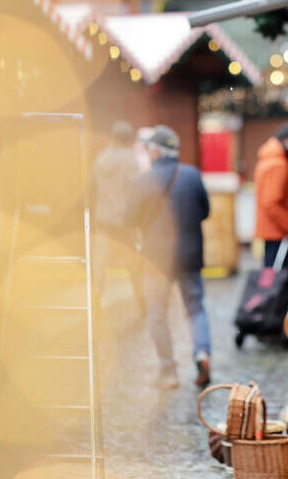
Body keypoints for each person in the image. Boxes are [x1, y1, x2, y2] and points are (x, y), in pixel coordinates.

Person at [126, 125, 214, 388]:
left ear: (155, 150)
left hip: (156, 259)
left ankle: (168, 372)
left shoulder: (142, 181)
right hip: (190, 255)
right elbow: (205, 211)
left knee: (157, 314)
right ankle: (202, 353)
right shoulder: (191, 175)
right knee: (195, 308)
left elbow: (128, 218)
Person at [89, 120, 141, 308]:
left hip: (103, 219)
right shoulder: (129, 160)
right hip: (124, 221)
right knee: (133, 262)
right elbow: (136, 191)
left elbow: (91, 188)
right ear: (129, 139)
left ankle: (95, 299)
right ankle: (142, 302)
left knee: (100, 263)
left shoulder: (101, 157)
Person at [254, 123, 288, 267]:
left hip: (275, 232)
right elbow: (271, 203)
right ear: (286, 140)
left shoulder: (273, 160)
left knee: (272, 279)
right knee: (276, 282)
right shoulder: (278, 164)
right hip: (277, 233)